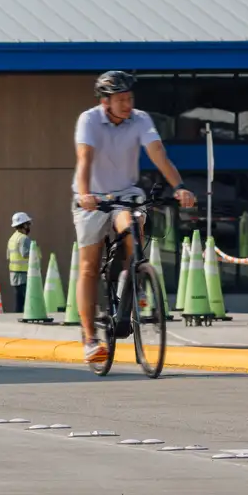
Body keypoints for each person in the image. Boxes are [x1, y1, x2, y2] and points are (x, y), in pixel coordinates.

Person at [73, 71, 196, 363]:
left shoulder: (140, 119)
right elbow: (84, 160)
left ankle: (133, 280)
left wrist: (179, 187)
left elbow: (159, 155)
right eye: (121, 99)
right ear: (106, 102)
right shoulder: (89, 120)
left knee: (134, 227)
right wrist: (84, 193)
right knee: (89, 267)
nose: (127, 104)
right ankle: (90, 339)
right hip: (93, 198)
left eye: (130, 98)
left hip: (126, 195)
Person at [6, 212, 33, 313]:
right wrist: (35, 251)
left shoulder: (12, 238)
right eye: (28, 224)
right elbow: (26, 254)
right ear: (24, 225)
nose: (29, 227)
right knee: (26, 299)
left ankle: (17, 316)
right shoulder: (23, 238)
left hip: (14, 274)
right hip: (23, 274)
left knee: (19, 300)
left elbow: (8, 256)